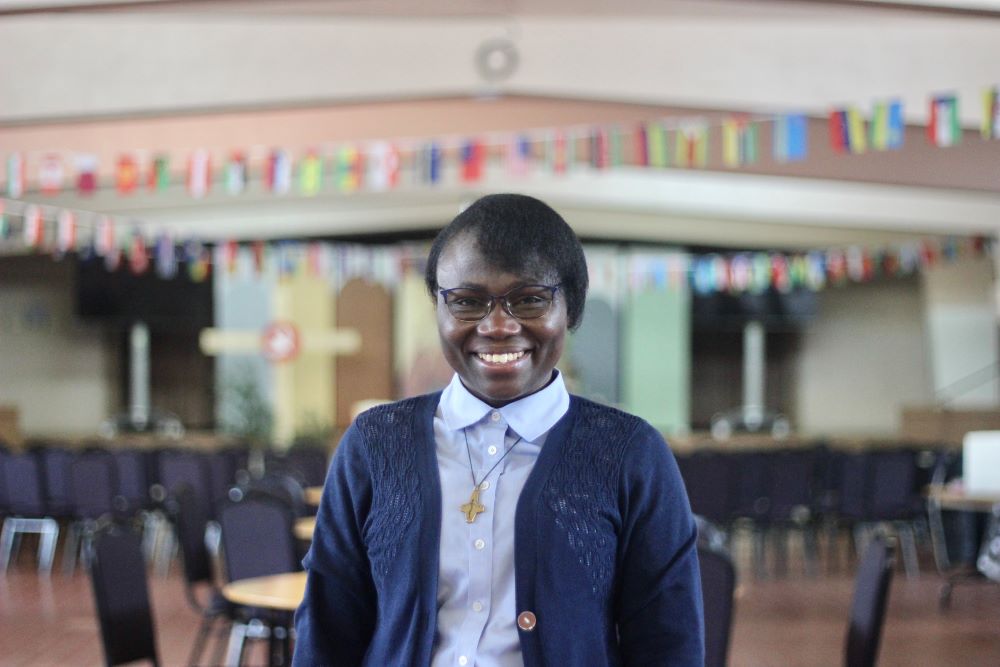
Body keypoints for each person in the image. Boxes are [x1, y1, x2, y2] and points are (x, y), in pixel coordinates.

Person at [294, 193, 703, 666]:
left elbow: (668, 645)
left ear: (571, 308)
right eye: (467, 302)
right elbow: (327, 629)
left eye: (529, 300)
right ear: (440, 311)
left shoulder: (631, 454)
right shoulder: (373, 445)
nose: (497, 325)